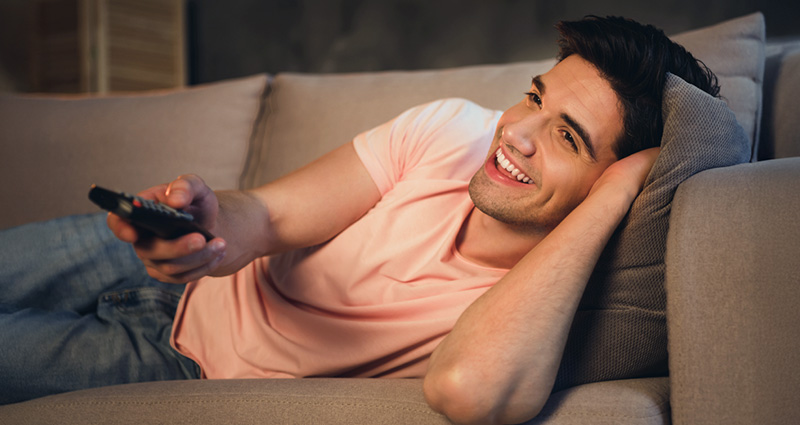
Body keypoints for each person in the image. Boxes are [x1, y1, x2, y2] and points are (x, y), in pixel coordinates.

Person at [0, 15, 719, 424]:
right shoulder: (453, 128)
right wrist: (211, 223)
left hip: (176, 362)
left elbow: (468, 390)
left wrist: (614, 195)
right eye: (534, 97)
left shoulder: (548, 296)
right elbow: (271, 215)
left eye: (567, 137)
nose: (517, 134)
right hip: (173, 269)